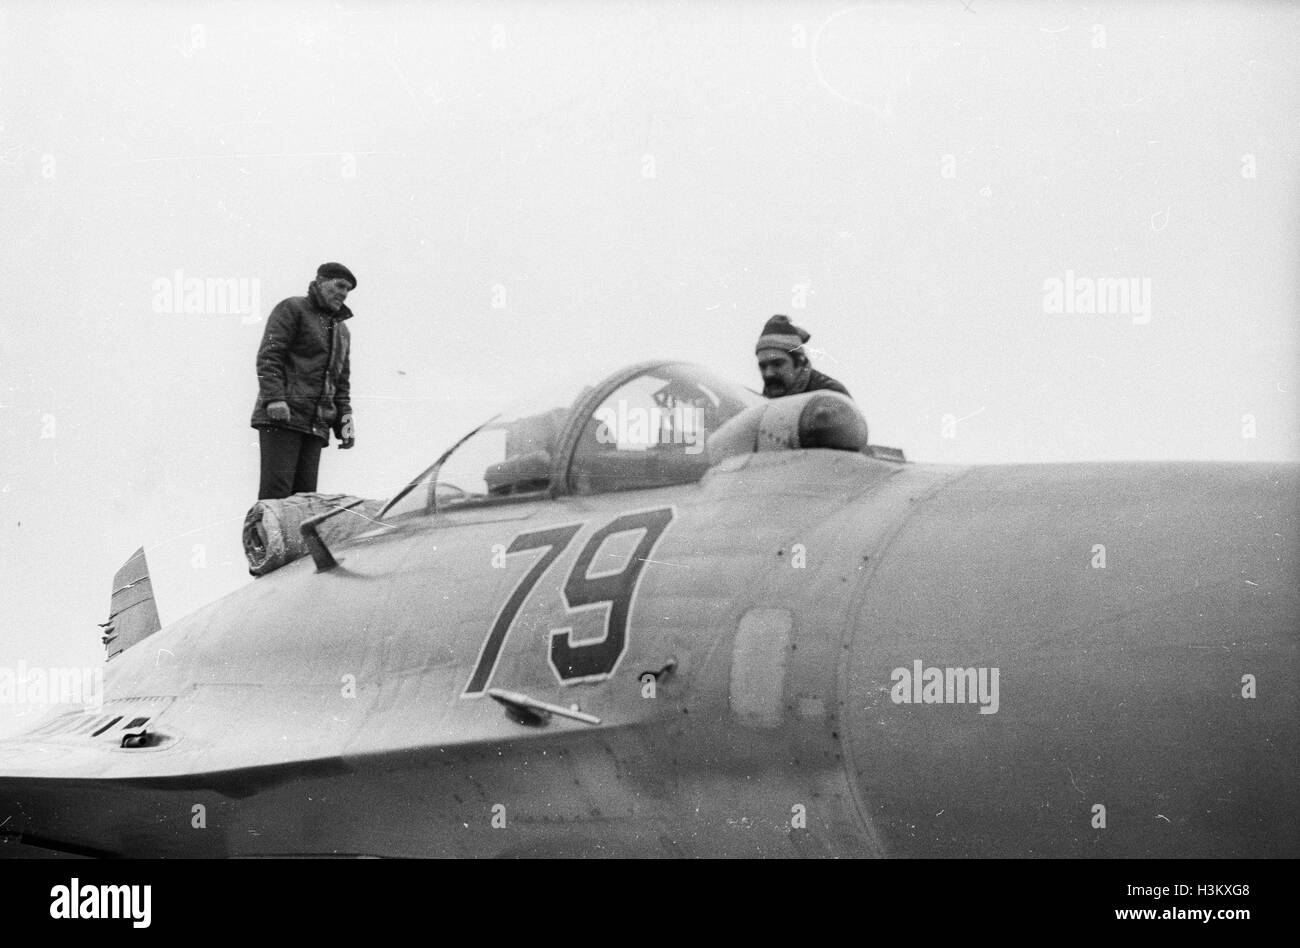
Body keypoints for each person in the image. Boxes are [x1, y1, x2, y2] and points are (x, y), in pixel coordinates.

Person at [249, 262, 357, 500]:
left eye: (348, 289)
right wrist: (275, 399)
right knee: (276, 497)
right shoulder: (292, 308)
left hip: (317, 426)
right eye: (339, 285)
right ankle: (266, 539)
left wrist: (346, 425)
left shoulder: (343, 332)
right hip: (283, 417)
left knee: (305, 502)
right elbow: (269, 356)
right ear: (320, 281)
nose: (344, 293)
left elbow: (342, 385)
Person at [755, 314, 851, 399]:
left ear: (799, 362)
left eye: (777, 364)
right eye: (763, 366)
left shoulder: (830, 395)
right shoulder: (765, 400)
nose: (768, 373)